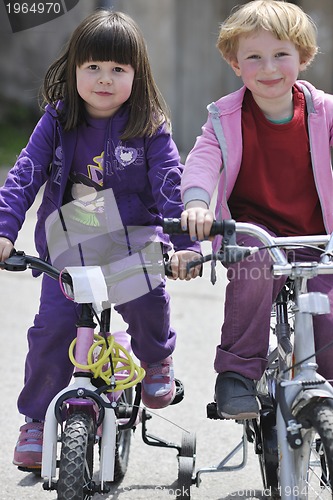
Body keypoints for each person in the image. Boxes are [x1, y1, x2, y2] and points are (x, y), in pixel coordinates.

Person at [0, 10, 200, 470]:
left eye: (118, 69)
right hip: (72, 239)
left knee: (148, 295)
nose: (104, 79)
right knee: (52, 327)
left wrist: (187, 245)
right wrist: (5, 230)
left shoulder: (147, 124)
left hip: (133, 234)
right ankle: (35, 419)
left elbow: (171, 183)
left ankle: (155, 361)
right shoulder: (58, 119)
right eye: (92, 67)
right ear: (73, 70)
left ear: (137, 74)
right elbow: (25, 174)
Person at [180, 0, 333, 420]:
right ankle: (238, 373)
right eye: (254, 57)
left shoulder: (324, 113)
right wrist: (196, 203)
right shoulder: (225, 117)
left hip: (316, 237)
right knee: (253, 267)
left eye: (281, 54)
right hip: (252, 232)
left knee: (328, 305)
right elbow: (203, 160)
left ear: (303, 57)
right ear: (235, 64)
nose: (269, 68)